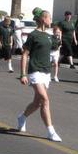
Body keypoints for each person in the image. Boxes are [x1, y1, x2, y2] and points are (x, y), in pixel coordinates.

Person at [17, 8, 62, 142]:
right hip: (35, 70)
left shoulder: (49, 36)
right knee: (45, 100)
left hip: (46, 72)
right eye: (49, 18)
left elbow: (56, 47)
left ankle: (22, 117)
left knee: (37, 103)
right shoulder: (33, 35)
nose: (51, 21)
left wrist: (58, 37)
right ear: (43, 19)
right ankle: (50, 131)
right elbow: (24, 55)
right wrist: (23, 74)